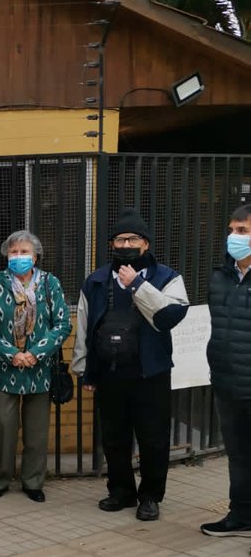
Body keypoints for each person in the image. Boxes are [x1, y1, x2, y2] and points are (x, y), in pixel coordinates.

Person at [72, 208, 188, 521]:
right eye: (120, 239)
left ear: (146, 244)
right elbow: (85, 326)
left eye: (133, 238)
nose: (126, 245)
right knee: (114, 436)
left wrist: (137, 284)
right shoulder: (96, 280)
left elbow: (169, 317)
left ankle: (150, 496)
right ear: (112, 245)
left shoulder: (167, 277)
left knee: (153, 437)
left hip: (150, 371)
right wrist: (85, 369)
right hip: (110, 372)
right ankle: (120, 491)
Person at [0, 230, 71, 502]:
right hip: (5, 369)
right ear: (6, 255)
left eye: (24, 252)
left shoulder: (49, 283)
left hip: (39, 370)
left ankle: (33, 482)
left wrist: (35, 353)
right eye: (14, 252)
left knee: (36, 431)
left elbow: (62, 324)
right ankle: (0, 478)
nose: (19, 257)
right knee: (3, 428)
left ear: (35, 256)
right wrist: (12, 354)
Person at [200, 204, 251, 539]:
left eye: (243, 231)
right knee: (238, 454)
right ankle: (240, 514)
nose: (234, 237)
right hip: (228, 381)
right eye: (232, 230)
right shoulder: (220, 275)